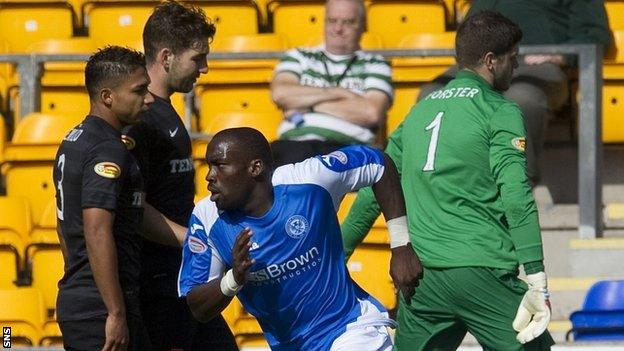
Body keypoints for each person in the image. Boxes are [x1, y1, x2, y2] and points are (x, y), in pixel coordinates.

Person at [342, 11, 556, 350]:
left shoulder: (417, 113)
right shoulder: (499, 110)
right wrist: (537, 279)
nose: (515, 69)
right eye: (512, 60)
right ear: (490, 61)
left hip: (425, 281)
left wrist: (339, 255)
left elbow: (373, 191)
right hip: (483, 271)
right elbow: (516, 196)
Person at [178, 127, 422, 350]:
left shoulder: (310, 180)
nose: (209, 176)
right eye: (209, 166)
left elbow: (378, 163)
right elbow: (197, 307)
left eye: (219, 165)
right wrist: (234, 278)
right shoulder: (206, 218)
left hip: (351, 329)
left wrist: (401, 245)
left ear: (255, 168)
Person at [121, 1, 238, 350]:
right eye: (197, 58)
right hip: (156, 283)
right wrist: (193, 239)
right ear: (167, 56)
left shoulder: (166, 110)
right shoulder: (139, 121)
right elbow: (132, 206)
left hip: (179, 274)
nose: (204, 68)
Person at [54, 46, 187, 351]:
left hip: (83, 300)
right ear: (107, 97)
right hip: (100, 309)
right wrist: (115, 311)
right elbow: (97, 228)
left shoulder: (74, 139)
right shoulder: (108, 149)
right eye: (140, 91)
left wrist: (190, 238)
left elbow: (65, 225)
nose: (150, 98)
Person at [417, 0, 611, 185]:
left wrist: (559, 55)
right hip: (478, 64)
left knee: (521, 99)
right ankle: (437, 186)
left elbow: (595, 35)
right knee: (431, 95)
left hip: (535, 65)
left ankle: (516, 190)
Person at [270, 0, 393, 167]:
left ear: (363, 25)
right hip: (293, 145)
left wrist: (310, 106)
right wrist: (339, 93)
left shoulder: (374, 63)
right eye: (332, 20)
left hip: (347, 148)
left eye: (348, 22)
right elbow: (280, 94)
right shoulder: (299, 56)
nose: (338, 29)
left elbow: (371, 113)